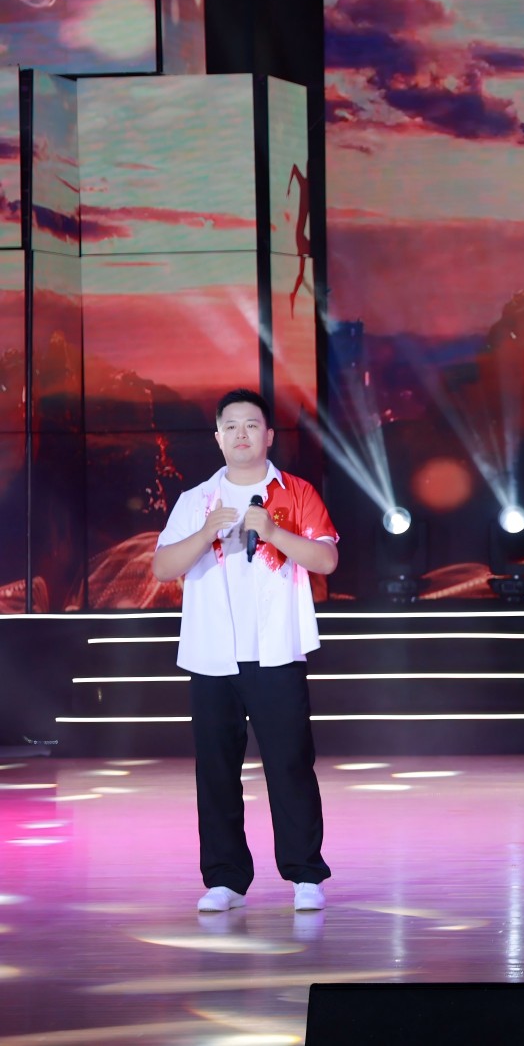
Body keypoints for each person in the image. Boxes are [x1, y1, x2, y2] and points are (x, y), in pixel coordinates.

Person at [151, 388, 340, 914]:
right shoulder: (196, 501)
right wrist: (205, 533)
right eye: (231, 426)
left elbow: (325, 560)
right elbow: (163, 567)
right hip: (212, 654)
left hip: (276, 650)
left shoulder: (296, 492)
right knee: (216, 769)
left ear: (268, 435)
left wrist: (273, 531)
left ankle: (305, 874)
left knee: (290, 763)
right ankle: (225, 879)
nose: (241, 434)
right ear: (217, 437)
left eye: (251, 425)